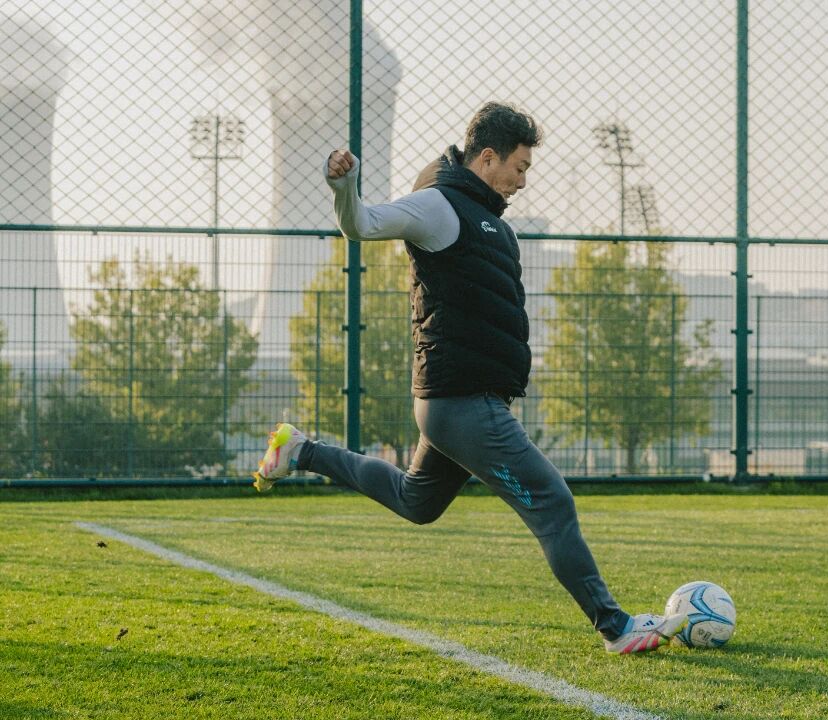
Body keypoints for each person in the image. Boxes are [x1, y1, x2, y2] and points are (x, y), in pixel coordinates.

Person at [253, 102, 686, 655]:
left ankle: (300, 450)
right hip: (462, 404)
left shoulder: (496, 225)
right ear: (487, 157)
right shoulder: (437, 205)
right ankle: (616, 627)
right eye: (520, 167)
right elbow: (361, 224)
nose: (523, 181)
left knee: (416, 501)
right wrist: (345, 187)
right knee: (552, 503)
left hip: (461, 405)